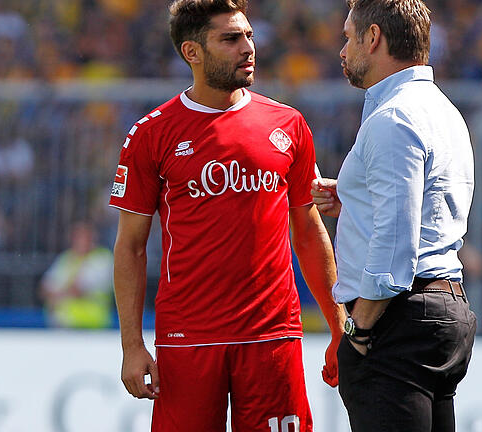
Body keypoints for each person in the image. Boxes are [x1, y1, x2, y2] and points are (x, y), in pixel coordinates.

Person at [109, 1, 344, 431]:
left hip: (272, 334)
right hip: (188, 338)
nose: (248, 48)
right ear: (192, 52)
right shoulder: (151, 133)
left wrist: (337, 323)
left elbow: (308, 230)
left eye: (249, 36)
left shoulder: (287, 124)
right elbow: (130, 245)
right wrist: (131, 346)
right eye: (231, 39)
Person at [311, 1, 476, 430]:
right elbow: (428, 210)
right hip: (440, 307)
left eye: (348, 37)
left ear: (373, 37)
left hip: (396, 318)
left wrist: (359, 329)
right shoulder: (442, 109)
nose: (342, 50)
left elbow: (397, 241)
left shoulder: (394, 117)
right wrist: (356, 198)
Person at [40, 221, 114, 329]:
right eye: (77, 237)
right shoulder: (66, 257)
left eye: (84, 237)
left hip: (93, 326)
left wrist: (58, 295)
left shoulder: (102, 258)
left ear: (93, 238)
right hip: (62, 325)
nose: (80, 241)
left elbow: (80, 289)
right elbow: (44, 289)